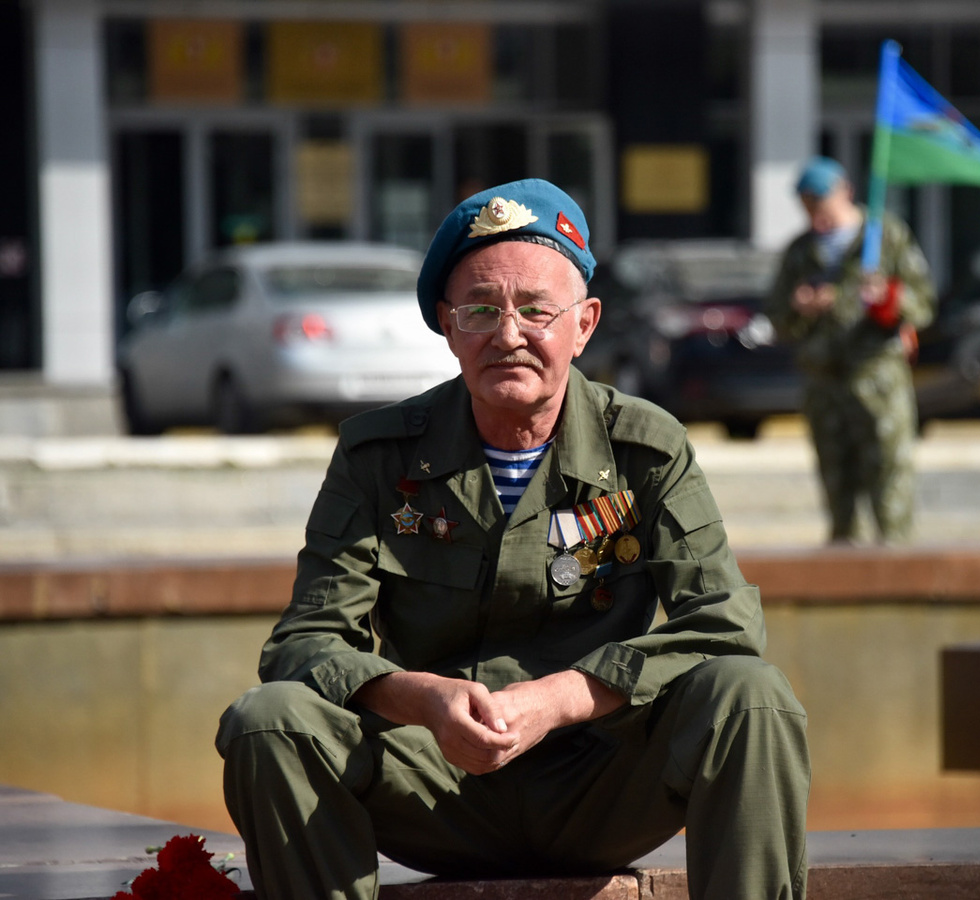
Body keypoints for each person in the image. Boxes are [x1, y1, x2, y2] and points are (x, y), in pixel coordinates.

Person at [217, 178, 810, 900]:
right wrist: (420, 698)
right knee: (268, 720)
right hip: (436, 784)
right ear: (447, 323)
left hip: (603, 780)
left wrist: (561, 698)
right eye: (480, 310)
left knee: (751, 696)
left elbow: (725, 624)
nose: (508, 335)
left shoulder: (645, 448)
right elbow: (303, 642)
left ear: (584, 324)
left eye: (536, 310)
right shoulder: (379, 458)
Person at [766, 157, 936, 544]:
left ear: (845, 192)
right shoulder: (801, 251)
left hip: (876, 380)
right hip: (825, 383)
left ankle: (896, 571)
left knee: (889, 481)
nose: (814, 212)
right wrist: (800, 307)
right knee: (838, 489)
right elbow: (777, 316)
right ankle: (845, 563)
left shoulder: (885, 237)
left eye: (821, 201)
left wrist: (888, 301)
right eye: (807, 204)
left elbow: (923, 303)